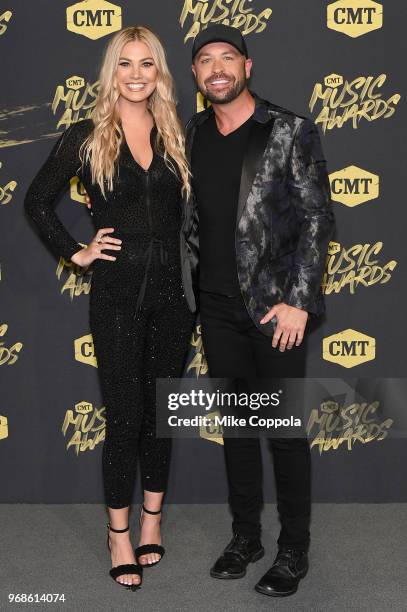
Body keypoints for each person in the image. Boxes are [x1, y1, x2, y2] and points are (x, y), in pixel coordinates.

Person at [24, 25, 196, 591]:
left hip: (176, 298)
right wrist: (79, 251)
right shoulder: (87, 136)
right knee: (123, 417)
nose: (137, 74)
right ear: (112, 73)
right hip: (117, 297)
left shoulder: (179, 135)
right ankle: (118, 533)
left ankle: (153, 520)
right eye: (126, 64)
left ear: (159, 73)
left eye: (147, 64)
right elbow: (36, 201)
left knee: (161, 415)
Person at [185, 25, 336, 598]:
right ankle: (245, 537)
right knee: (239, 431)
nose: (217, 68)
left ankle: (293, 548)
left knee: (285, 434)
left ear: (247, 67)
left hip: (276, 312)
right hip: (215, 308)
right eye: (206, 60)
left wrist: (298, 302)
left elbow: (318, 219)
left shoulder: (289, 130)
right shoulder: (193, 132)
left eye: (228, 58)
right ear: (197, 76)